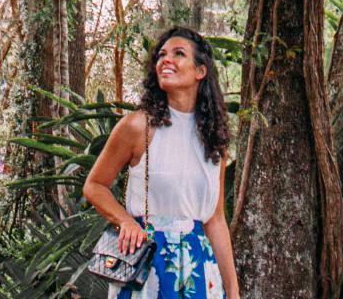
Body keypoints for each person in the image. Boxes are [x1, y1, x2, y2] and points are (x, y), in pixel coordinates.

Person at [83, 26, 241, 299]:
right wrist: (126, 222)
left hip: (199, 268)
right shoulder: (138, 126)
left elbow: (215, 220)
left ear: (200, 71)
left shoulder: (215, 141)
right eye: (161, 55)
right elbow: (95, 185)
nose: (165, 60)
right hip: (147, 262)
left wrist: (233, 290)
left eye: (178, 54)